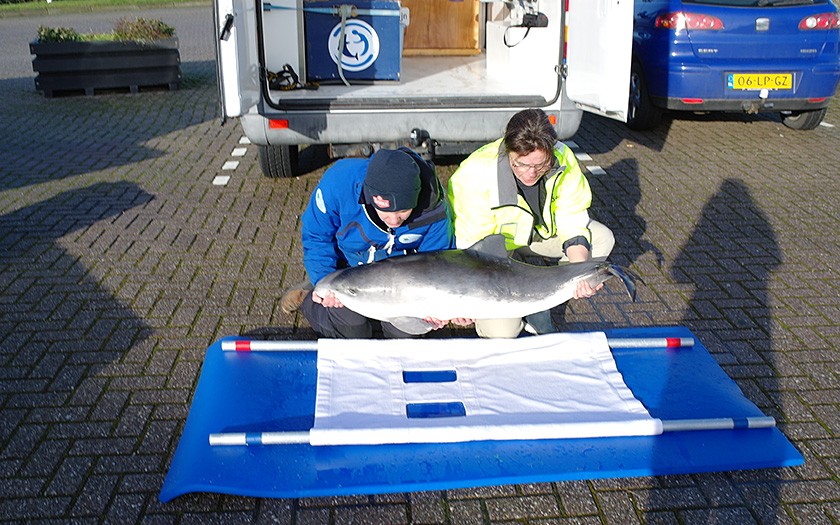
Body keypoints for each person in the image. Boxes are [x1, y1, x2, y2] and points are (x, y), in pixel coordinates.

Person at [447, 108, 615, 338]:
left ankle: (545, 296)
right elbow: (473, 253)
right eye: (521, 165)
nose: (530, 173)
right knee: (502, 332)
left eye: (541, 164)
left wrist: (579, 273)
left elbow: (573, 217)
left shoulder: (563, 157)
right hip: (495, 254)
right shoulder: (473, 176)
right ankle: (533, 289)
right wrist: (463, 303)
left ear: (551, 151)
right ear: (508, 151)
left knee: (602, 239)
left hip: (538, 237)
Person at [281, 147, 466, 338]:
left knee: (405, 334)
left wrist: (439, 307)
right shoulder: (338, 184)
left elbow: (436, 262)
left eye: (404, 211)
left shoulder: (433, 205)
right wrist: (323, 279)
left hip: (401, 280)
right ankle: (307, 295)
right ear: (370, 196)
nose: (394, 220)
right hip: (346, 272)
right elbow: (317, 237)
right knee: (352, 328)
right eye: (386, 212)